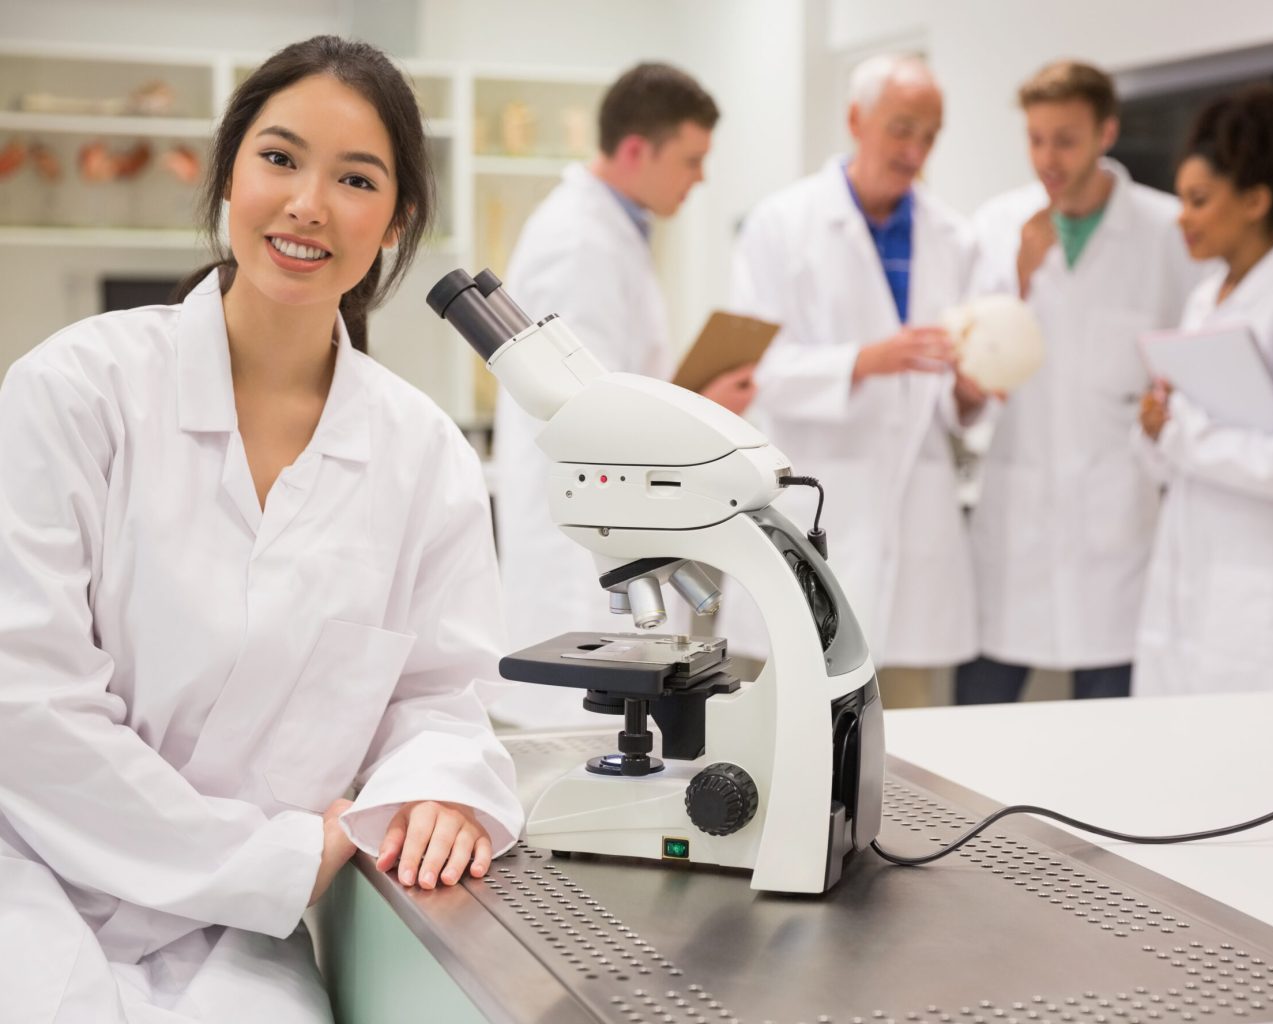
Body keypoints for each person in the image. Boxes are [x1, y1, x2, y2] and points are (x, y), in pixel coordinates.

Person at [0, 37, 523, 1023]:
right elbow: (22, 706)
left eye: (355, 178)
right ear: (228, 169)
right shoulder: (75, 392)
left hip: (232, 940)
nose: (307, 204)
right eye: (278, 158)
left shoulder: (422, 456)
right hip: (32, 880)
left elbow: (442, 697)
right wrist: (275, 857)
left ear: (397, 219)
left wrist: (440, 790)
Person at [489, 62, 756, 728]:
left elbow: (606, 388)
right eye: (692, 159)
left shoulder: (613, 232)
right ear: (638, 150)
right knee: (572, 730)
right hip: (578, 535)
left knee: (603, 726)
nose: (701, 177)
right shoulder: (580, 241)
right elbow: (588, 414)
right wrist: (703, 404)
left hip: (603, 522)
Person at [722, 54, 986, 708]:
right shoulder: (782, 224)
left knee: (913, 732)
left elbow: (954, 396)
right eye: (901, 128)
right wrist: (863, 361)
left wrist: (970, 393)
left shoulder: (954, 237)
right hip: (814, 496)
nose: (915, 149)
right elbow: (755, 372)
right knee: (796, 725)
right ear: (855, 119)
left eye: (930, 134)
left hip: (915, 510)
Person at [958, 60, 1201, 704]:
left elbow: (1193, 359)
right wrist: (1019, 276)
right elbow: (974, 367)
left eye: (1065, 139)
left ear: (1106, 132)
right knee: (979, 720)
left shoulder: (1167, 231)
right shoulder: (995, 226)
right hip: (1017, 519)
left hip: (1119, 525)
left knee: (1112, 728)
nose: (1048, 158)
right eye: (1036, 139)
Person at [1134, 84, 1273, 696]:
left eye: (1198, 200)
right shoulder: (1202, 298)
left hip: (1254, 589)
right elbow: (1173, 451)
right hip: (1186, 575)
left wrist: (1181, 434)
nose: (1182, 217)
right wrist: (1154, 428)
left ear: (1254, 200)